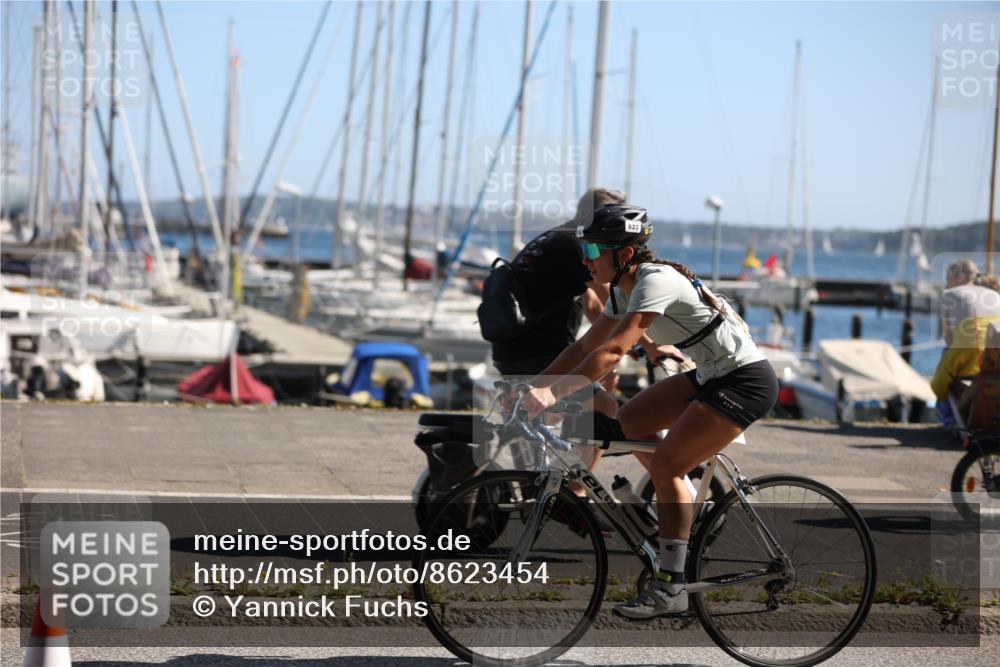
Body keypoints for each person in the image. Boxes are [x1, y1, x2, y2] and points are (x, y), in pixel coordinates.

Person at [520, 204, 778, 619]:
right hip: (711, 375)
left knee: (666, 468)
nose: (585, 260)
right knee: (625, 425)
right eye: (584, 251)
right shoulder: (624, 287)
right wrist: (533, 386)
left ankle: (671, 586)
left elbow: (616, 349)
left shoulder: (655, 280)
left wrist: (557, 393)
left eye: (591, 252)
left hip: (743, 381)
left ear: (623, 253)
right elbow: (584, 346)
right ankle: (671, 506)